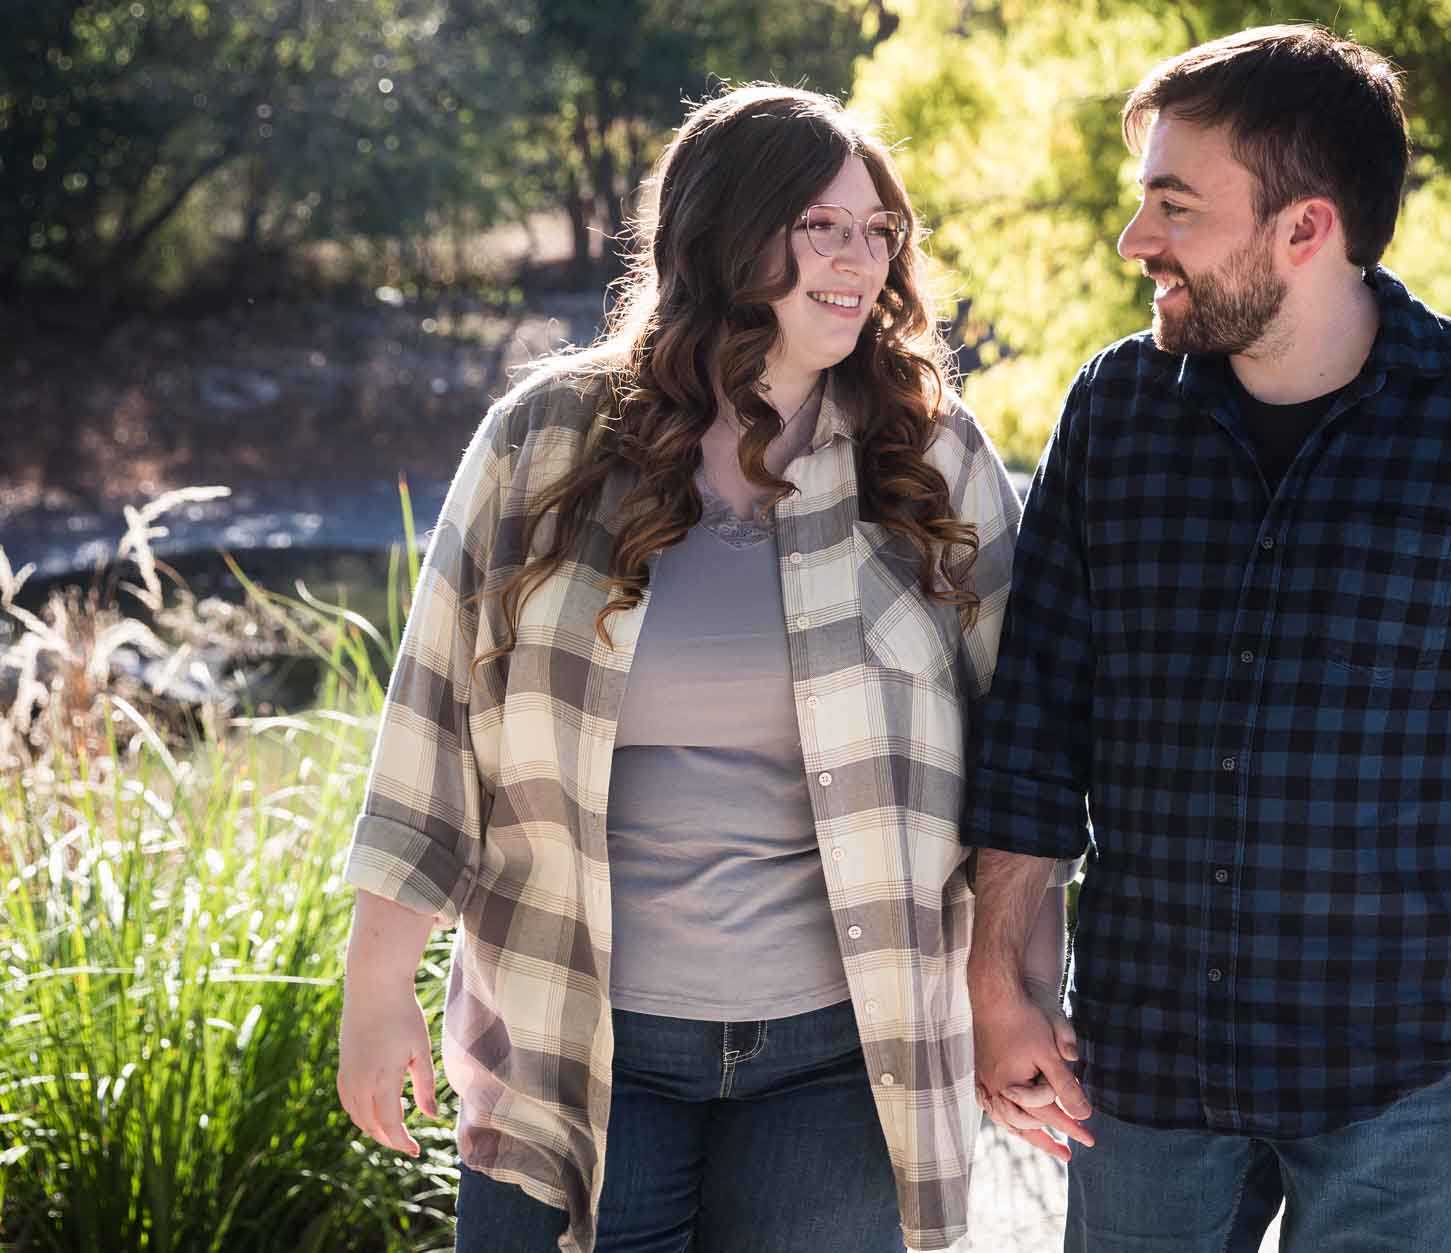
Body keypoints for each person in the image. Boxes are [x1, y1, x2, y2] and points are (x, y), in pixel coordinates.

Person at [335, 85, 1066, 1253]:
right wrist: (376, 993)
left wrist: (1016, 990)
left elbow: (1021, 755)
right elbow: (431, 726)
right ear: (728, 233)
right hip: (574, 1044)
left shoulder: (928, 458)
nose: (860, 259)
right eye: (820, 226)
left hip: (839, 1059)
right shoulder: (545, 441)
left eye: (878, 230)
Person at [964, 25, 1451, 1252]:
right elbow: (1032, 734)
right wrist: (996, 982)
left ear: (1304, 230)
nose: (1134, 241)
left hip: (1401, 1076)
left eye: (1174, 207)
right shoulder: (1112, 413)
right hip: (1144, 1069)